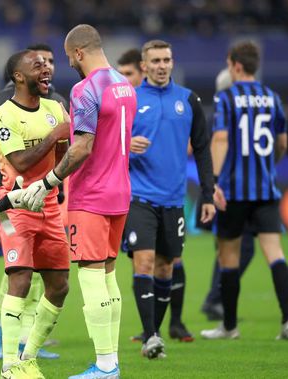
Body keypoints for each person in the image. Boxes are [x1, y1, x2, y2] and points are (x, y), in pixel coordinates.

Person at [19, 24, 136, 378]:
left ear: (79, 52)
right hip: (121, 192)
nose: (69, 62)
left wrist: (49, 182)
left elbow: (82, 146)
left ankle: (104, 365)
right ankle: (111, 360)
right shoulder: (125, 85)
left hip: (91, 196)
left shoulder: (86, 89)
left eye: (69, 56)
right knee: (109, 275)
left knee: (90, 276)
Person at [120, 40, 215, 359]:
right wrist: (126, 143)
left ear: (172, 62)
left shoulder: (188, 99)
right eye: (155, 61)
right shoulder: (131, 100)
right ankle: (150, 336)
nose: (162, 65)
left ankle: (155, 332)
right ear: (144, 66)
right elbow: (108, 145)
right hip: (139, 197)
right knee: (144, 262)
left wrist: (207, 192)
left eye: (166, 59)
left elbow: (201, 148)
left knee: (164, 268)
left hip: (174, 200)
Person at [201, 41, 288, 340]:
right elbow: (282, 144)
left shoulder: (227, 97)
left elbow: (220, 139)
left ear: (235, 65)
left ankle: (229, 327)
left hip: (233, 192)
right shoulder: (273, 97)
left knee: (228, 257)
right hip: (266, 190)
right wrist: (269, 166)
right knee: (275, 253)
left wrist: (214, 182)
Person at [0, 43, 66, 361]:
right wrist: (56, 135)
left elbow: (66, 157)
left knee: (59, 285)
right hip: (17, 206)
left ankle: (29, 353)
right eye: (37, 64)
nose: (46, 68)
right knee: (21, 278)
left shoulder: (56, 108)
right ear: (18, 75)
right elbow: (21, 162)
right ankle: (10, 363)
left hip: (51, 205)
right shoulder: (2, 114)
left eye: (48, 63)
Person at [200, 68, 256, 322]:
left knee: (230, 247)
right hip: (227, 189)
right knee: (236, 248)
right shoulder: (224, 115)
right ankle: (215, 299)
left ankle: (216, 299)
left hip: (226, 188)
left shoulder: (218, 114)